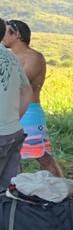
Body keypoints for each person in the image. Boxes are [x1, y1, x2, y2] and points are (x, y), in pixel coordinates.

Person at [3, 20, 63, 177]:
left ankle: (61, 191)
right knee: (11, 157)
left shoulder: (33, 56)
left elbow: (19, 83)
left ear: (17, 34)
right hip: (11, 113)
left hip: (30, 112)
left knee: (41, 155)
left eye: (6, 31)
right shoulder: (8, 57)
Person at [0, 39, 33, 186]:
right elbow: (27, 90)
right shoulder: (11, 56)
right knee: (7, 190)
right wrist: (14, 118)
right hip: (13, 131)